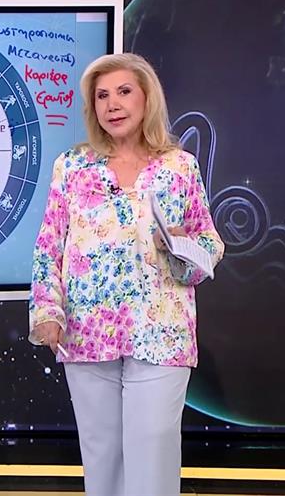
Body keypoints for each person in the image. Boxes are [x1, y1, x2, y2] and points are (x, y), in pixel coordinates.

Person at [28, 53, 224, 496]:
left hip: (161, 332)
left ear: (146, 98)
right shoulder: (71, 166)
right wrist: (47, 311)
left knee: (152, 451)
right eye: (102, 96)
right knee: (102, 458)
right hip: (86, 332)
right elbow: (48, 245)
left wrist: (181, 247)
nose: (112, 104)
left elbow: (211, 246)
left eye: (123, 92)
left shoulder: (179, 167)